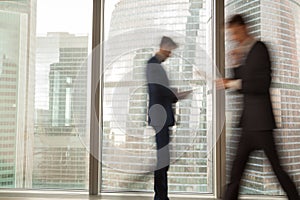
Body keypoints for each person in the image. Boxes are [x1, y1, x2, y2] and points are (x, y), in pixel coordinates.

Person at [220, 14, 300, 200]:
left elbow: (261, 85)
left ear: (244, 28)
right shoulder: (243, 53)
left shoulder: (260, 48)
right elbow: (241, 86)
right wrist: (236, 64)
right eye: (231, 34)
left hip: (262, 124)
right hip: (247, 123)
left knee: (278, 170)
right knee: (235, 174)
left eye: (235, 32)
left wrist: (232, 84)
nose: (234, 38)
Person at [146, 36, 190, 200]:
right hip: (160, 116)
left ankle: (161, 195)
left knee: (164, 157)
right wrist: (176, 94)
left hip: (161, 116)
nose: (170, 54)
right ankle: (160, 196)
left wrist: (175, 94)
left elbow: (161, 90)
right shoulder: (153, 65)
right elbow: (158, 90)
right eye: (170, 50)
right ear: (163, 47)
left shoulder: (156, 65)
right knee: (163, 158)